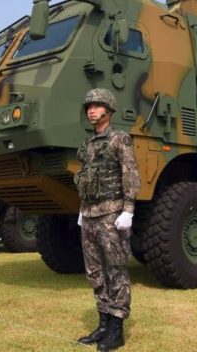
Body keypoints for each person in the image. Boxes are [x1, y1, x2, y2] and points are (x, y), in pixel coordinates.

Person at [75, 88, 140, 351]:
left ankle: (116, 329)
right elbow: (86, 178)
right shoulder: (88, 145)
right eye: (88, 106)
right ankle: (103, 324)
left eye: (97, 106)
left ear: (109, 110)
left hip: (112, 215)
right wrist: (82, 211)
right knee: (95, 272)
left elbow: (130, 174)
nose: (91, 110)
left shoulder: (120, 140)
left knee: (116, 271)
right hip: (89, 215)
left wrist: (128, 210)